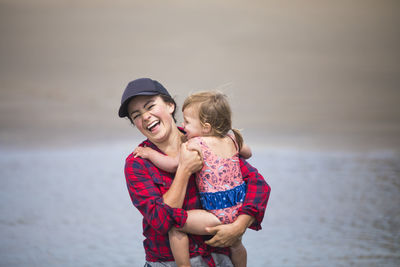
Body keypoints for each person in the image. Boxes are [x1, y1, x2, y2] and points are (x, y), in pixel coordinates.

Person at [118, 78, 271, 267]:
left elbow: (258, 185)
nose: (146, 116)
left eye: (150, 106)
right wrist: (184, 170)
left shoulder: (205, 138)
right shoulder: (137, 164)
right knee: (176, 226)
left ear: (170, 106)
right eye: (137, 115)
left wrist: (239, 226)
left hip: (219, 258)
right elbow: (162, 221)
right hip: (167, 262)